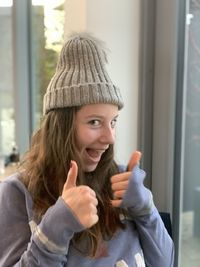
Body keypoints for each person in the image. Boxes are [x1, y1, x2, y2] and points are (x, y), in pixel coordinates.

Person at [0, 33, 174, 267]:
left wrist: (145, 209)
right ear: (61, 127)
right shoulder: (17, 193)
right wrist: (55, 229)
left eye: (113, 122)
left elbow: (165, 262)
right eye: (94, 122)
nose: (109, 137)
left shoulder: (122, 182)